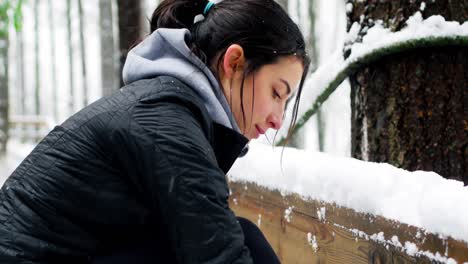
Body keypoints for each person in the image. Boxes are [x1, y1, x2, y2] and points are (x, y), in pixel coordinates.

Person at [0, 0, 310, 263]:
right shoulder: (167, 124)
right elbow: (220, 254)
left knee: (244, 236)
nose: (277, 120)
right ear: (234, 62)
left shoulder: (164, 107)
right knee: (245, 240)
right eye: (276, 93)